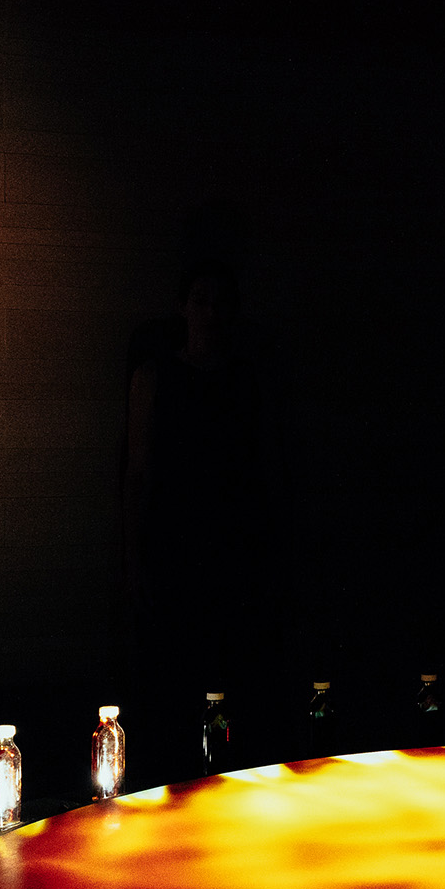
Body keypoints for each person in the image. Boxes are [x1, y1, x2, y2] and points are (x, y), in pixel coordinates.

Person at [124, 264, 278, 730]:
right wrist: (133, 558)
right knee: (175, 674)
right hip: (172, 543)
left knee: (227, 671)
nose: (210, 313)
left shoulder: (247, 380)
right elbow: (138, 471)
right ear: (183, 308)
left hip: (232, 544)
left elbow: (262, 472)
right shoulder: (156, 375)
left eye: (220, 303)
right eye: (200, 301)